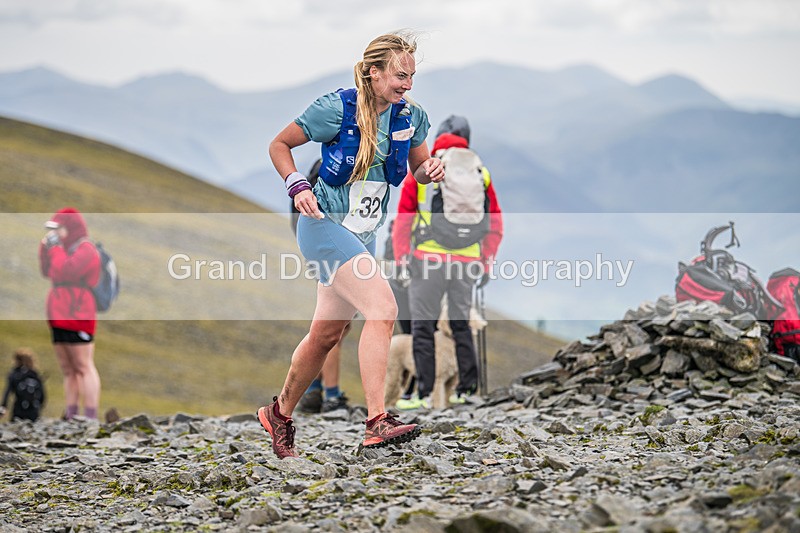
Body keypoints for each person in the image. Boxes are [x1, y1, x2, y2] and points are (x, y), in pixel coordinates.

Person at [258, 31, 445, 459]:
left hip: (361, 234)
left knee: (326, 334)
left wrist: (431, 169)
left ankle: (278, 414)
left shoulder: (412, 117)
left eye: (412, 76)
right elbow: (279, 144)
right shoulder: (335, 109)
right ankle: (377, 421)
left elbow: (418, 168)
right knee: (383, 309)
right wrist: (297, 184)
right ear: (373, 71)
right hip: (323, 226)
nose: (407, 85)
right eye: (400, 75)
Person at [392, 115, 504, 409]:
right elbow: (495, 223)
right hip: (467, 261)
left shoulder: (424, 169)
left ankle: (422, 392)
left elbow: (405, 217)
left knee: (422, 325)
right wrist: (485, 262)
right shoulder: (481, 172)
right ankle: (466, 390)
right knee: (460, 324)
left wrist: (403, 256)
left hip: (427, 259)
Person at [291, 159, 351, 414]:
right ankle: (331, 396)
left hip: (326, 249)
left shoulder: (325, 164)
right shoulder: (337, 167)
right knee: (335, 325)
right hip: (335, 251)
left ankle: (314, 388)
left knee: (337, 326)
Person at [39, 207, 102, 420]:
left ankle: (90, 415)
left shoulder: (86, 249)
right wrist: (45, 248)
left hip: (78, 313)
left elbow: (67, 270)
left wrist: (55, 249)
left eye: (60, 229)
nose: (56, 234)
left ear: (71, 228)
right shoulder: (62, 248)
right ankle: (72, 413)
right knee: (68, 367)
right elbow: (48, 271)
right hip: (58, 312)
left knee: (83, 365)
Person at [0, 348, 46, 422]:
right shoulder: (34, 374)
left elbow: (7, 392)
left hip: (18, 410)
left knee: (16, 430)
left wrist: (3, 406)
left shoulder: (14, 374)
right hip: (33, 411)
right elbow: (43, 396)